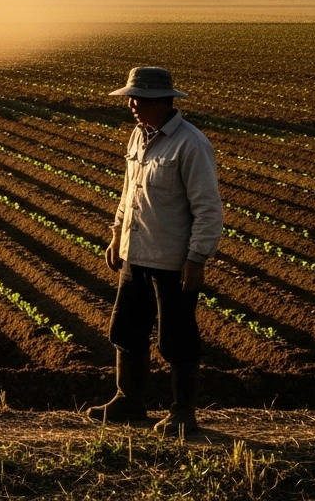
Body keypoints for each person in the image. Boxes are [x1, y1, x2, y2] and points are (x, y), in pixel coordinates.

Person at [87, 66, 222, 437]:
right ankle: (128, 401)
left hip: (171, 260)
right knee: (126, 330)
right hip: (136, 253)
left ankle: (183, 413)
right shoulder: (138, 136)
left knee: (176, 337)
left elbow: (208, 208)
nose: (132, 104)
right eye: (131, 97)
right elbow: (128, 192)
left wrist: (197, 257)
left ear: (164, 102)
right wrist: (116, 235)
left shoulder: (191, 145)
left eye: (140, 99)